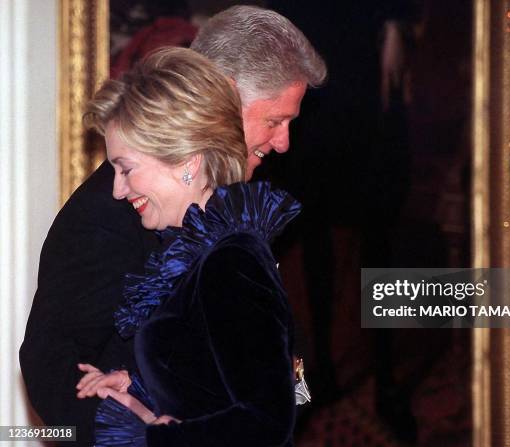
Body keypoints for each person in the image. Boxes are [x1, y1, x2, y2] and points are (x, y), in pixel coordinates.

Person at [19, 6, 326, 446]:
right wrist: (128, 425)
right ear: (222, 96)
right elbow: (53, 367)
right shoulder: (106, 219)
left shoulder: (231, 212)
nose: (283, 142)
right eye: (274, 120)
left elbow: (254, 384)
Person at [79, 46, 299, 445]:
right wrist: (137, 388)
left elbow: (268, 422)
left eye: (126, 169)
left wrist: (162, 442)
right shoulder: (200, 254)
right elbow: (209, 385)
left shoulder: (231, 262)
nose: (117, 190)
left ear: (187, 162)